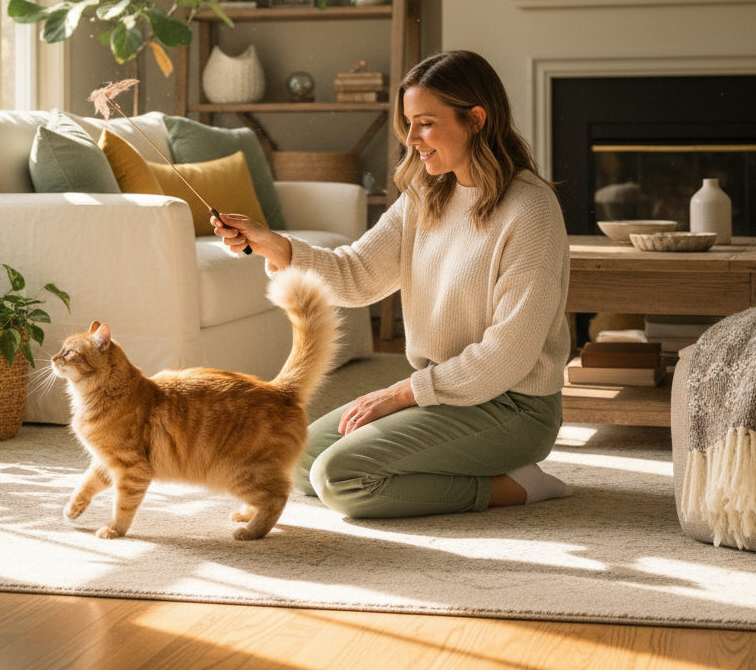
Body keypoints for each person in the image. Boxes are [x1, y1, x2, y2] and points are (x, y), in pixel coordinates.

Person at [211, 50, 573, 518]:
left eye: (425, 123)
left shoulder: (531, 211)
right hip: (440, 392)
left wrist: (399, 395)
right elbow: (356, 273)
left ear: (476, 119)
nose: (412, 139)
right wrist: (273, 245)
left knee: (339, 478)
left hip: (513, 408)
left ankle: (518, 486)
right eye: (408, 123)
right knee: (291, 459)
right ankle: (450, 465)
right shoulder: (426, 194)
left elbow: (508, 355)